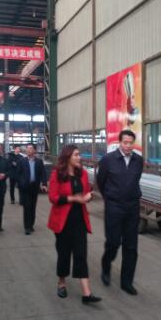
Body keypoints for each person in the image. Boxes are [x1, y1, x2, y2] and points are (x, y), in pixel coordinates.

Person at [48, 145, 101, 305]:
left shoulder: (82, 173)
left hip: (79, 220)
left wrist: (88, 196)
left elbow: (85, 192)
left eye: (79, 154)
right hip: (62, 221)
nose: (79, 157)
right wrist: (74, 198)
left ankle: (86, 293)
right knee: (64, 254)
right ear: (68, 157)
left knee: (81, 255)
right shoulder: (57, 174)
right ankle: (61, 282)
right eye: (76, 155)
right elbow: (53, 197)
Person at [97, 130, 143, 296]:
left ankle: (126, 282)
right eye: (125, 142)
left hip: (132, 207)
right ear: (119, 142)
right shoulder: (108, 160)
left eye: (131, 143)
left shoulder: (138, 160)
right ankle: (106, 266)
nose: (128, 146)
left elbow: (136, 180)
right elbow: (100, 182)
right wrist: (110, 198)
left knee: (131, 246)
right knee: (113, 242)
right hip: (114, 206)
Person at [18, 143, 47, 235]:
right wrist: (21, 183)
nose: (29, 150)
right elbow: (18, 174)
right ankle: (27, 227)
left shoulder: (39, 161)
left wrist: (44, 184)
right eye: (27, 148)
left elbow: (43, 173)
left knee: (33, 207)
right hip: (25, 187)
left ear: (34, 150)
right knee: (27, 207)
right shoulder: (22, 161)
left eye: (31, 148)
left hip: (34, 187)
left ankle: (31, 225)